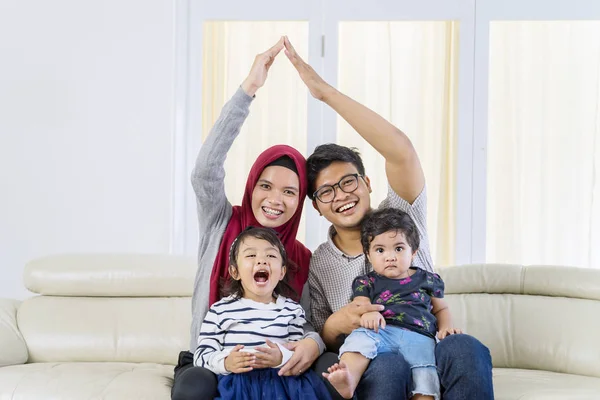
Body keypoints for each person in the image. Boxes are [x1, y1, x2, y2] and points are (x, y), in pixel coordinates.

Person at [282, 36, 495, 399]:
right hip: (375, 357)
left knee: (467, 348)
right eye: (326, 191)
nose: (342, 195)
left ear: (366, 182)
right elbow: (319, 333)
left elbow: (401, 150)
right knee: (386, 366)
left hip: (427, 345)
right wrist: (339, 321)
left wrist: (325, 94)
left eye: (349, 181)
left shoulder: (401, 217)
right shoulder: (320, 262)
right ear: (316, 206)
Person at [171, 37, 324, 400]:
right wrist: (249, 88)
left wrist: (307, 348)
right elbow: (204, 172)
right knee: (193, 387)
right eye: (265, 186)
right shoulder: (221, 222)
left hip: (277, 369)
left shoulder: (302, 258)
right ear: (252, 184)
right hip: (216, 362)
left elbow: (310, 328)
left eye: (289, 192)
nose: (274, 200)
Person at [323, 208, 462, 400]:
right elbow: (360, 304)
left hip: (420, 337)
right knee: (360, 339)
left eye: (398, 248)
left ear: (413, 252)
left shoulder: (428, 279)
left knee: (424, 375)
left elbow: (441, 308)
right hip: (381, 331)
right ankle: (349, 379)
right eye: (380, 250)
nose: (390, 257)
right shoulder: (366, 281)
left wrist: (446, 326)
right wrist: (368, 314)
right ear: (368, 255)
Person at [194, 227, 331, 400]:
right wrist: (226, 362)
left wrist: (282, 357)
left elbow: (298, 351)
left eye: (271, 256)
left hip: (282, 384)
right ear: (234, 271)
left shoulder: (291, 310)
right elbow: (202, 354)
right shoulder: (220, 310)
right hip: (238, 385)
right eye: (251, 255)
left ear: (281, 272)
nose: (262, 261)